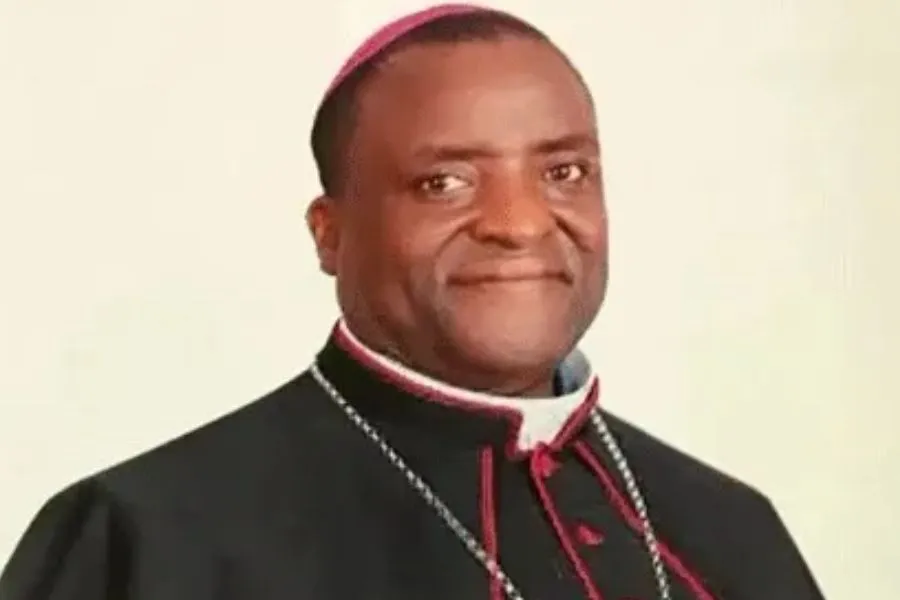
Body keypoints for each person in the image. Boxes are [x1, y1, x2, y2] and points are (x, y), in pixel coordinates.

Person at [0, 4, 826, 599]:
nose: (519, 223)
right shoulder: (144, 540)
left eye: (564, 171)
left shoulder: (728, 530)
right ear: (329, 234)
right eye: (444, 182)